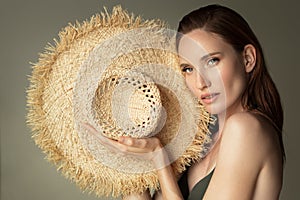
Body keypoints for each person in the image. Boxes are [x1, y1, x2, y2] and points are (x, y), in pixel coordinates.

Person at [84, 4, 285, 199]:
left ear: (248, 59)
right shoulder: (202, 142)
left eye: (212, 61)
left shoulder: (246, 128)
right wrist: (129, 159)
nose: (200, 82)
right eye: (188, 69)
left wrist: (159, 158)